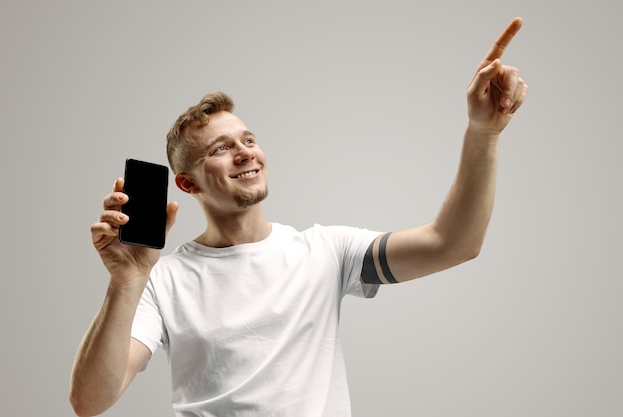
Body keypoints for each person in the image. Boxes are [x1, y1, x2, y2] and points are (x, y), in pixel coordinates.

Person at [70, 17, 529, 417]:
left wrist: (483, 132)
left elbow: (454, 243)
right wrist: (125, 281)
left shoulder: (327, 252)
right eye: (221, 148)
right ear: (187, 184)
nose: (244, 153)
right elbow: (90, 402)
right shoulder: (163, 279)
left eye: (248, 139)